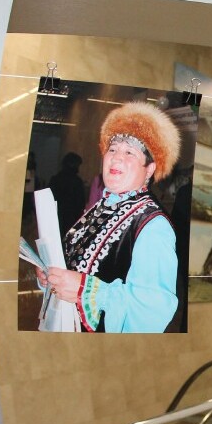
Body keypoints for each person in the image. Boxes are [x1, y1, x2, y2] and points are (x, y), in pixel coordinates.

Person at [38, 102, 180, 333]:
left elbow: (153, 310)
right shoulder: (101, 206)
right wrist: (51, 277)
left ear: (149, 169)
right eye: (112, 150)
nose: (116, 158)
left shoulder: (153, 225)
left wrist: (88, 291)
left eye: (129, 152)